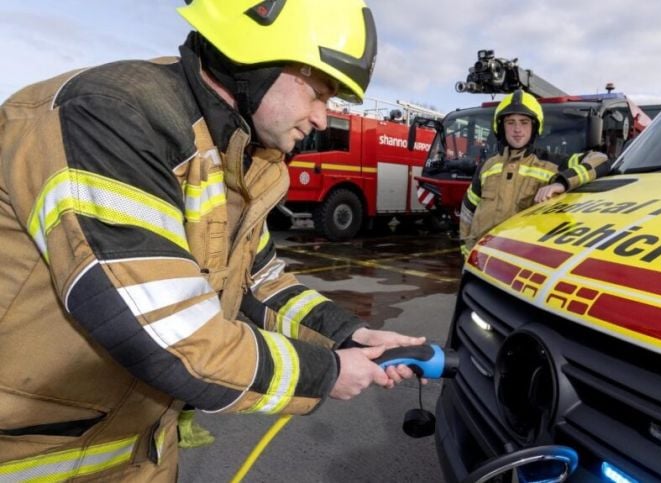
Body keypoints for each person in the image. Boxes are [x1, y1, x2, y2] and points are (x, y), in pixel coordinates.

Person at [0, 0, 426, 480]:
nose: (323, 118)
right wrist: (327, 372)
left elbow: (260, 285)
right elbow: (171, 337)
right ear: (256, 56)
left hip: (134, 451)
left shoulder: (238, 159)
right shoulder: (112, 119)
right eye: (319, 92)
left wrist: (351, 336)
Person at [458, 89, 610, 256]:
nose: (517, 129)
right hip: (480, 257)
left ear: (534, 126)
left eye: (524, 122)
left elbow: (600, 159)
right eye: (510, 122)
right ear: (501, 126)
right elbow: (467, 211)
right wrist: (467, 252)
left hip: (519, 260)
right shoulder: (487, 166)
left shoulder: (551, 163)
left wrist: (562, 182)